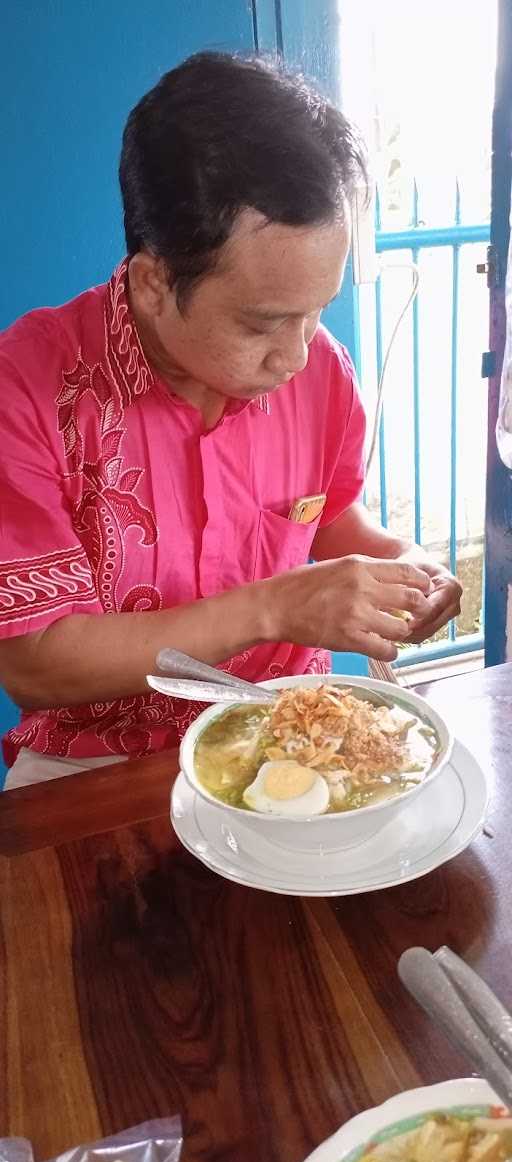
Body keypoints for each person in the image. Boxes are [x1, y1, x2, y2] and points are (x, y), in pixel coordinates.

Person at [0, 52, 461, 789]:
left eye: (318, 312)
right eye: (264, 322)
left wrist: (404, 568)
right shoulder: (25, 385)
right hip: (96, 764)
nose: (298, 353)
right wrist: (275, 606)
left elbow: (330, 517)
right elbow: (36, 662)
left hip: (287, 729)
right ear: (154, 283)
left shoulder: (322, 372)